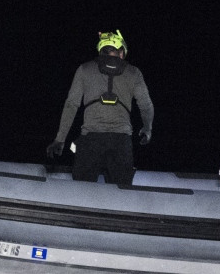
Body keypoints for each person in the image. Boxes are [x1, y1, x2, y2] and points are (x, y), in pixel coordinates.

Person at [47, 30, 154, 186]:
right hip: (121, 142)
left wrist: (60, 139)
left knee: (82, 192)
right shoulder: (134, 73)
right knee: (121, 194)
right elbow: (146, 106)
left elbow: (71, 105)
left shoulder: (84, 69)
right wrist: (147, 129)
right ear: (121, 52)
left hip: (90, 141)